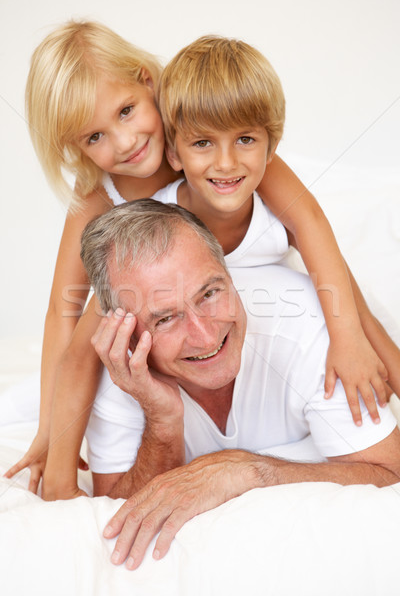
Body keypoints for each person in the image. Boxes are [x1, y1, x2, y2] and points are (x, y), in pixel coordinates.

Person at [6, 29, 399, 498]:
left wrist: (348, 338)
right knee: (88, 342)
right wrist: (53, 439)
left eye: (127, 111)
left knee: (344, 301)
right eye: (96, 136)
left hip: (258, 289)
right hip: (172, 292)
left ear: (147, 81)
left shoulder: (214, 141)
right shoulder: (103, 193)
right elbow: (64, 313)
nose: (127, 141)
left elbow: (312, 228)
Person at [80, 198, 400, 571]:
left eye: (211, 293)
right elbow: (116, 510)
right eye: (165, 319)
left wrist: (247, 471)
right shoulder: (118, 370)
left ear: (229, 274)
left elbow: (391, 471)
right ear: (127, 332)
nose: (204, 336)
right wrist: (161, 419)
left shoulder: (309, 325)